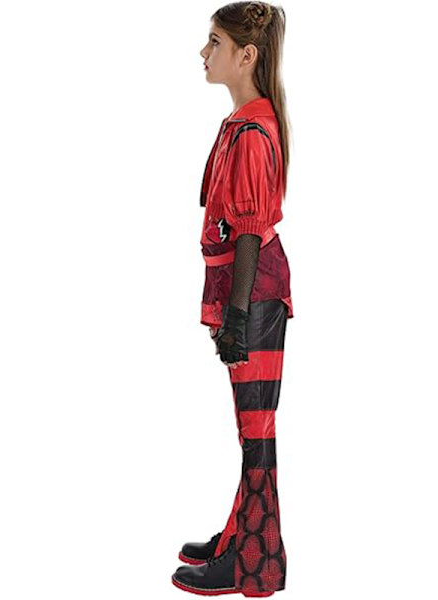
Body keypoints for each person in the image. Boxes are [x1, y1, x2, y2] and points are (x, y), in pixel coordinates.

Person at [171, 2, 293, 597]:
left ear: (246, 55)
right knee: (251, 431)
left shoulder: (252, 131)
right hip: (248, 294)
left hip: (256, 296)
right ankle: (240, 538)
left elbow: (248, 230)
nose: (204, 52)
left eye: (214, 42)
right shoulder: (244, 121)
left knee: (257, 430)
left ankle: (256, 564)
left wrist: (238, 317)